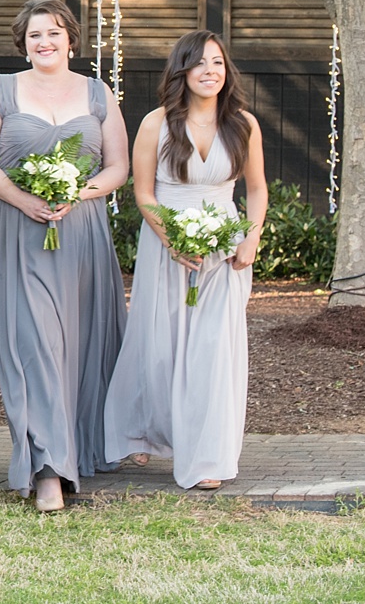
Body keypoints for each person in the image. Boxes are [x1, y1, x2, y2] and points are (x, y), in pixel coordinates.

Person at [0, 0, 129, 512]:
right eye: (36, 35)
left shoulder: (97, 93)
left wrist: (78, 194)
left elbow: (117, 166)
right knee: (34, 344)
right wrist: (25, 200)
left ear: (71, 39)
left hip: (80, 232)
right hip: (18, 230)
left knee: (76, 345)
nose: (45, 43)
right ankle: (46, 468)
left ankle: (74, 449)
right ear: (24, 42)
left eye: (55, 33)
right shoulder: (1, 91)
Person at [104, 30, 267, 489]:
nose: (209, 71)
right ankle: (146, 430)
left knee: (213, 352)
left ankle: (208, 459)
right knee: (160, 348)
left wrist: (249, 240)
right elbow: (144, 193)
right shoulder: (157, 123)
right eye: (199, 63)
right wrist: (172, 238)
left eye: (217, 63)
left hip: (225, 252)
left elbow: (255, 190)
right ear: (182, 71)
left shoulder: (244, 124)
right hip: (166, 248)